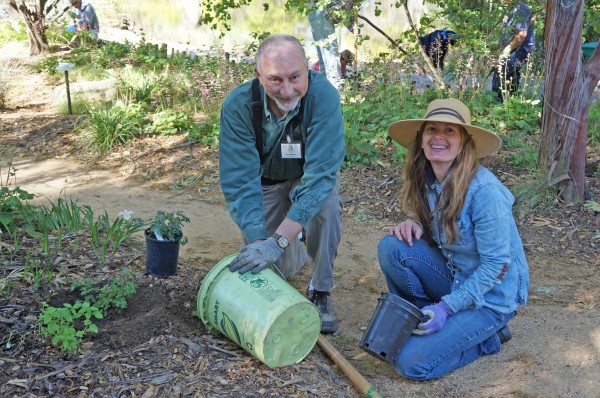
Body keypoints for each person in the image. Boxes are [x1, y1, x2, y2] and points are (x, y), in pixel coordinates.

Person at [377, 98, 529, 379]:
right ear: (421, 139)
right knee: (393, 247)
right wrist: (413, 222)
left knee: (410, 363)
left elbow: (496, 266)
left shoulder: (485, 192)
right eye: (432, 129)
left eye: (450, 131)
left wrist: (447, 307)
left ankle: (488, 338)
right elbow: (433, 227)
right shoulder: (427, 180)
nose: (439, 137)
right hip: (456, 276)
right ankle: (422, 319)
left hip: (490, 298)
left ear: (464, 142)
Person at [219, 34, 346, 334]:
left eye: (295, 78)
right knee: (273, 271)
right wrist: (261, 242)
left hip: (308, 180)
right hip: (266, 184)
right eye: (275, 80)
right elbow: (240, 183)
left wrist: (278, 241)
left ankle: (320, 291)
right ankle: (297, 246)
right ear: (259, 75)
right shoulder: (238, 105)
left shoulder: (323, 98)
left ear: (308, 70)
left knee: (326, 206)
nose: (287, 91)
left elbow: (318, 180)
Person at [491, 1, 535, 102]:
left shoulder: (521, 9)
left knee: (500, 72)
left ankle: (495, 107)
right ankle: (515, 107)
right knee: (512, 80)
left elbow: (522, 34)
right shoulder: (513, 9)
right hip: (514, 50)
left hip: (519, 50)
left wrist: (507, 49)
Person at [308, 1, 354, 88]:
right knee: (331, 55)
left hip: (314, 12)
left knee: (324, 58)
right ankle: (335, 89)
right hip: (321, 13)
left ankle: (325, 89)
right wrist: (353, 28)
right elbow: (347, 10)